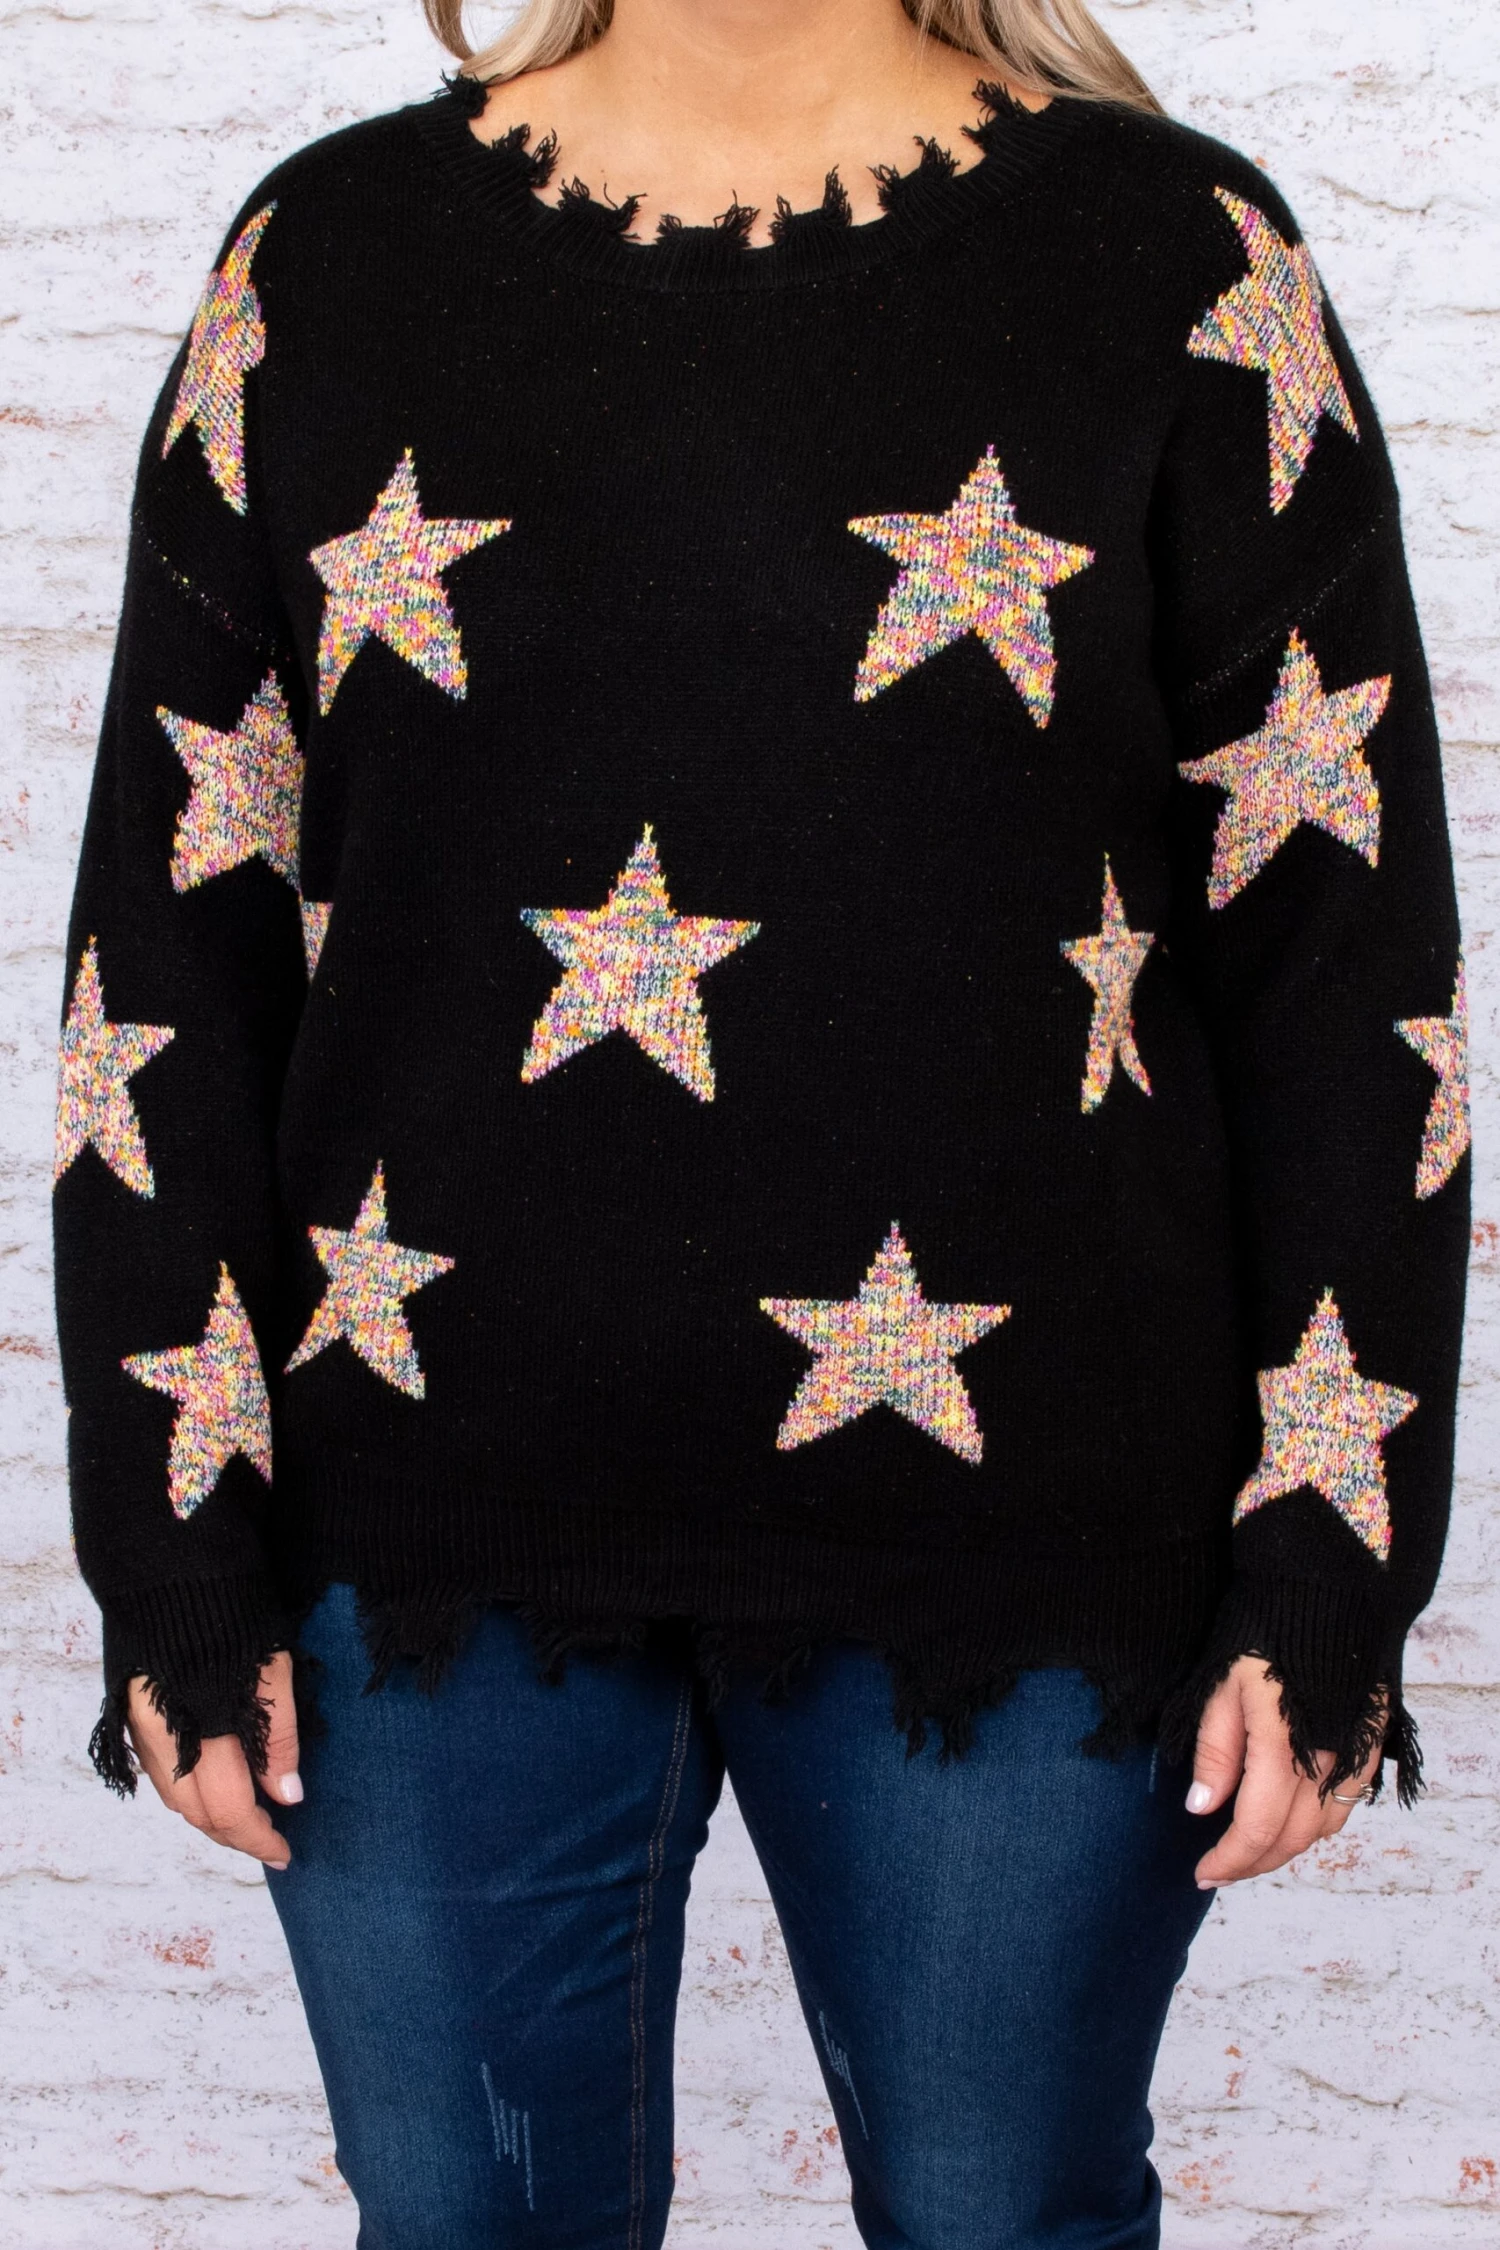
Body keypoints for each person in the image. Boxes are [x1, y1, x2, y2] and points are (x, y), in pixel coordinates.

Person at [52, 0, 1470, 2241]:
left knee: (1005, 2217)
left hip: (1032, 1529)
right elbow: (170, 948)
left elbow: (1344, 962)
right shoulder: (326, 262)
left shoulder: (1180, 261)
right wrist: (171, 1529)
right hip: (424, 1516)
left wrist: (1333, 1542)